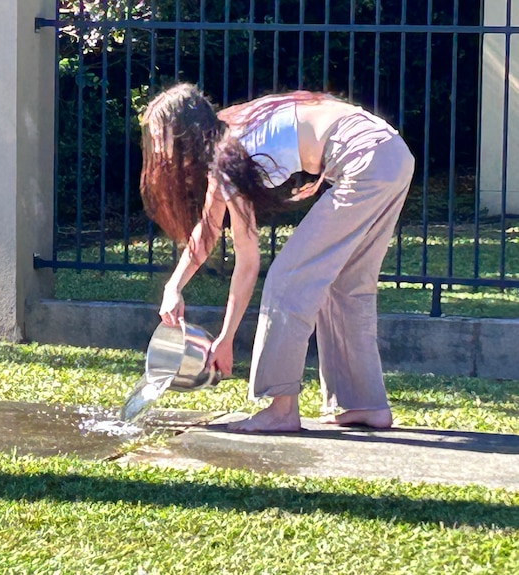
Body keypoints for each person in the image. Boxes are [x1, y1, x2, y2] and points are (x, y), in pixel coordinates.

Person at [139, 83, 415, 432]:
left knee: (288, 281)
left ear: (181, 134)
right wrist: (178, 291)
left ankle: (282, 409)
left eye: (159, 137)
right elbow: (220, 240)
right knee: (345, 286)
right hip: (391, 155)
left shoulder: (230, 152)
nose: (158, 149)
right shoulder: (231, 142)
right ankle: (364, 405)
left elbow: (237, 255)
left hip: (365, 159)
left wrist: (220, 333)